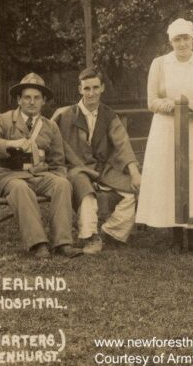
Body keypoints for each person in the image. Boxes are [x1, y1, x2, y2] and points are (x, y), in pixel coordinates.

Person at [135, 18, 193, 253]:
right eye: (177, 39)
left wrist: (187, 106)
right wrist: (174, 107)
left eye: (186, 38)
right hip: (165, 129)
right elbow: (152, 101)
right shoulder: (159, 64)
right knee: (168, 179)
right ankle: (174, 234)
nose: (182, 44)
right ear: (170, 41)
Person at [0, 73, 84, 258]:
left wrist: (58, 175)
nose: (31, 102)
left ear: (44, 101)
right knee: (20, 188)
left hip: (39, 175)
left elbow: (58, 161)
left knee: (63, 184)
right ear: (18, 100)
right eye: (27, 97)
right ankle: (39, 244)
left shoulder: (50, 126)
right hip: (9, 175)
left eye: (37, 98)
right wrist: (10, 144)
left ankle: (63, 243)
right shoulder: (3, 120)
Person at [53, 67, 143, 253]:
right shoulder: (64, 114)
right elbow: (46, 138)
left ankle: (111, 231)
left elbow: (122, 144)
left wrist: (134, 173)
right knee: (85, 190)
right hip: (75, 168)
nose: (91, 93)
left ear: (102, 88)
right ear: (80, 89)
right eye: (87, 88)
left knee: (132, 190)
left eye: (95, 87)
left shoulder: (109, 116)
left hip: (102, 169)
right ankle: (90, 236)